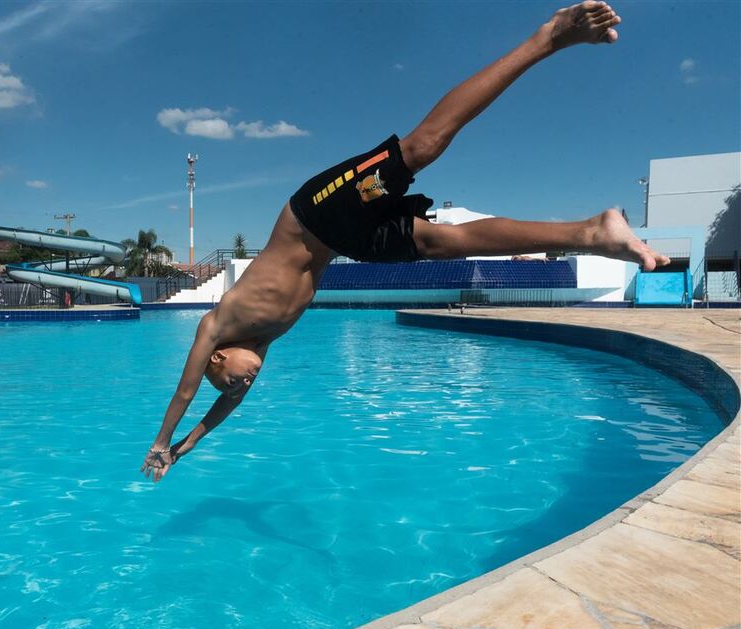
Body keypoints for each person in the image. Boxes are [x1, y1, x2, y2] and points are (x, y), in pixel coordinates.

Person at [142, 1, 669, 483]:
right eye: (240, 389)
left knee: (421, 146)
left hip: (317, 212)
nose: (242, 386)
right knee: (446, 244)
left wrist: (164, 442)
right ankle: (591, 232)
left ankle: (548, 37)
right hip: (351, 240)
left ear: (217, 360)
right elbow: (219, 410)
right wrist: (189, 449)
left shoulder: (217, 327)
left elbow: (188, 394)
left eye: (231, 381)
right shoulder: (264, 343)